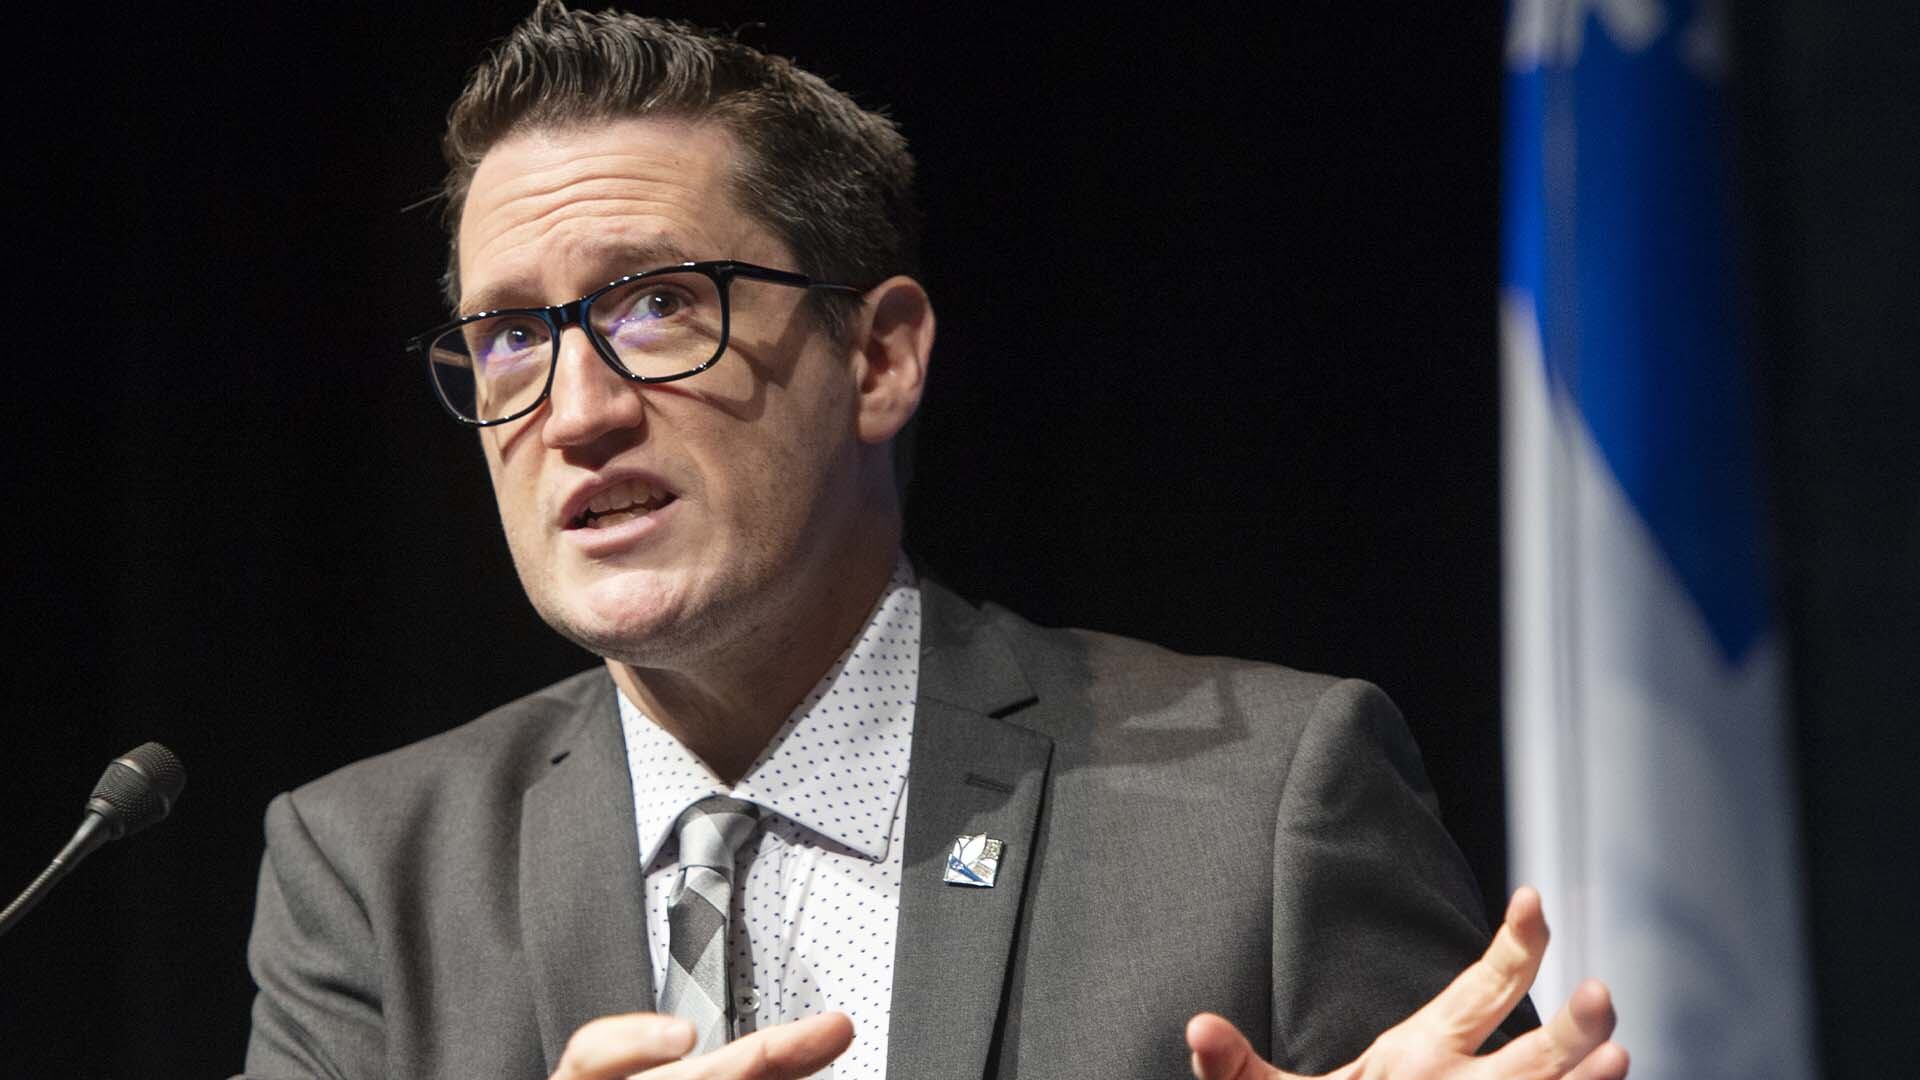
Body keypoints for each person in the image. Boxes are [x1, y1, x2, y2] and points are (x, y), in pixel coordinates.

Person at [239, 5, 1628, 1079]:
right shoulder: (368, 873)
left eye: (659, 305)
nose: (578, 410)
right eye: (511, 336)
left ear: (881, 358)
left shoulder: (1261, 807)